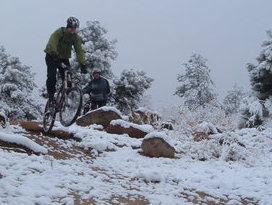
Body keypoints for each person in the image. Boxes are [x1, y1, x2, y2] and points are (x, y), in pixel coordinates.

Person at [44, 17, 87, 101]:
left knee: (69, 77)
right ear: (68, 27)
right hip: (52, 56)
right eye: (72, 28)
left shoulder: (75, 37)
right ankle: (51, 95)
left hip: (63, 58)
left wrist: (82, 64)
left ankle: (64, 98)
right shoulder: (60, 32)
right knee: (52, 76)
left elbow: (79, 51)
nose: (73, 31)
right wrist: (54, 53)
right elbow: (52, 42)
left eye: (75, 29)